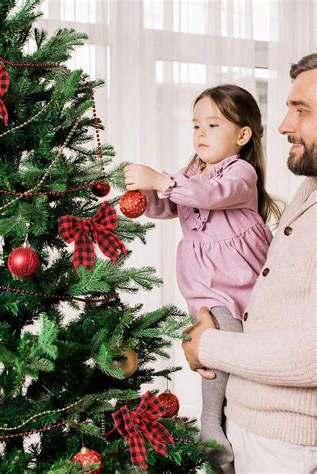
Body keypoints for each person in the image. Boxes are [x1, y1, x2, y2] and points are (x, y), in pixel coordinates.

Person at [123, 84, 280, 471]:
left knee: (228, 344)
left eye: (212, 124)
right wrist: (143, 193)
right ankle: (215, 426)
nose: (201, 134)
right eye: (196, 125)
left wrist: (161, 180)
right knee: (209, 344)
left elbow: (212, 194)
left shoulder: (240, 173)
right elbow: (169, 204)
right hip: (204, 282)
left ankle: (213, 421)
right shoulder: (191, 172)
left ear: (242, 136)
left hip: (238, 278)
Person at [182, 53, 317, 473]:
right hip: (245, 423)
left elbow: (311, 354)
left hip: (286, 445)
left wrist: (206, 345)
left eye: (302, 110)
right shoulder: (310, 187)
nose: (282, 126)